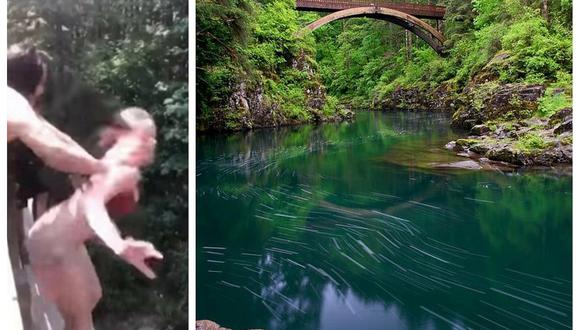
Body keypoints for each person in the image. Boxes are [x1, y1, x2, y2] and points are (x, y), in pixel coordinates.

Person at [26, 107, 163, 330]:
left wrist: (118, 242)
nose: (150, 144)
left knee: (91, 295)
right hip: (53, 244)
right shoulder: (121, 170)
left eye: (152, 137)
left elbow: (87, 211)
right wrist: (119, 246)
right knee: (81, 320)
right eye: (142, 138)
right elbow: (92, 206)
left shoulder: (115, 164)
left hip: (62, 240)